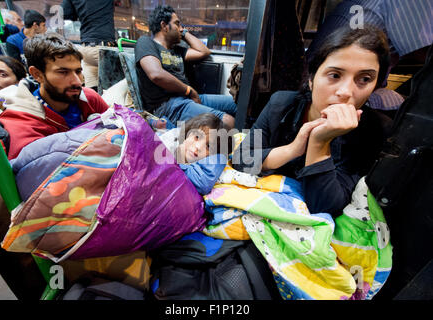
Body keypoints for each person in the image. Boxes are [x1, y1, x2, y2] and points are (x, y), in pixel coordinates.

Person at [232, 25, 393, 217]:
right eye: (334, 75)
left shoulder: (374, 131)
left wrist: (320, 142)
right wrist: (292, 149)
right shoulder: (281, 105)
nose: (345, 92)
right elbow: (241, 159)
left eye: (364, 79)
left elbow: (324, 208)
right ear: (311, 79)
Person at [0, 33, 110, 160]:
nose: (77, 81)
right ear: (37, 74)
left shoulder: (89, 99)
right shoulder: (22, 123)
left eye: (78, 71)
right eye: (63, 72)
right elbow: (36, 174)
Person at [135, 5, 237, 129]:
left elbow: (204, 52)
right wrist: (189, 90)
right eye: (177, 24)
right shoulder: (146, 42)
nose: (181, 28)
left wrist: (184, 33)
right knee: (227, 121)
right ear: (164, 26)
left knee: (238, 103)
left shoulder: (178, 50)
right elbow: (156, 74)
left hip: (187, 98)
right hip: (168, 105)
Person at [158, 113, 233, 195]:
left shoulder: (204, 166)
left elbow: (202, 183)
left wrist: (181, 162)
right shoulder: (168, 143)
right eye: (197, 137)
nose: (198, 146)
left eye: (208, 146)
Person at [61, 0, 116, 90]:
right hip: (103, 49)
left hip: (86, 50)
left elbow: (65, 13)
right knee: (118, 87)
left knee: (92, 92)